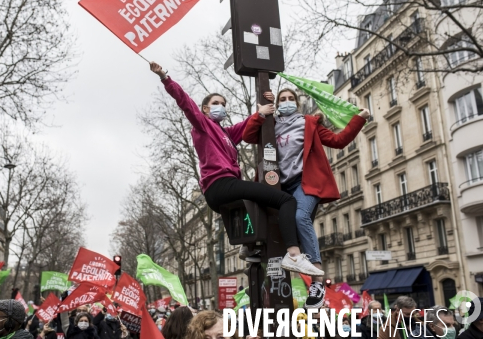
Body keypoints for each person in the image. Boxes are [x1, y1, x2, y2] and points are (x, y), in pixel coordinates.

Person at [149, 62, 322, 276]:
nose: (221, 106)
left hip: (221, 191)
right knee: (285, 200)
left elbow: (246, 126)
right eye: (215, 103)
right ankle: (294, 254)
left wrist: (260, 113)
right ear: (205, 109)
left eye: (223, 103)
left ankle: (248, 248)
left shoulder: (226, 134)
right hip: (221, 184)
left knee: (259, 203)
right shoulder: (202, 125)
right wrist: (165, 78)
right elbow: (185, 103)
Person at [242, 88, 369, 307]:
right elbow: (247, 136)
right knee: (267, 217)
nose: (287, 102)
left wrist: (360, 119)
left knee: (301, 217)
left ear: (298, 104)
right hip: (280, 186)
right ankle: (256, 249)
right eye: (283, 99)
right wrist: (262, 113)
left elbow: (338, 141)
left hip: (305, 183)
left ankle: (317, 281)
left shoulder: (309, 123)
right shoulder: (270, 125)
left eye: (291, 99)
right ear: (277, 104)